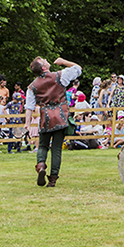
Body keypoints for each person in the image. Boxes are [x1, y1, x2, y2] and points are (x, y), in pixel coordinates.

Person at [26, 56, 83, 187]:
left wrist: (27, 123)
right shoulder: (59, 76)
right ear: (44, 67)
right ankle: (52, 180)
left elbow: (29, 107)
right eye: (43, 60)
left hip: (45, 118)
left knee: (42, 146)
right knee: (56, 149)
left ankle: (40, 166)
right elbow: (78, 69)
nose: (46, 59)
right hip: (60, 116)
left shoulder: (32, 86)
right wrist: (63, 62)